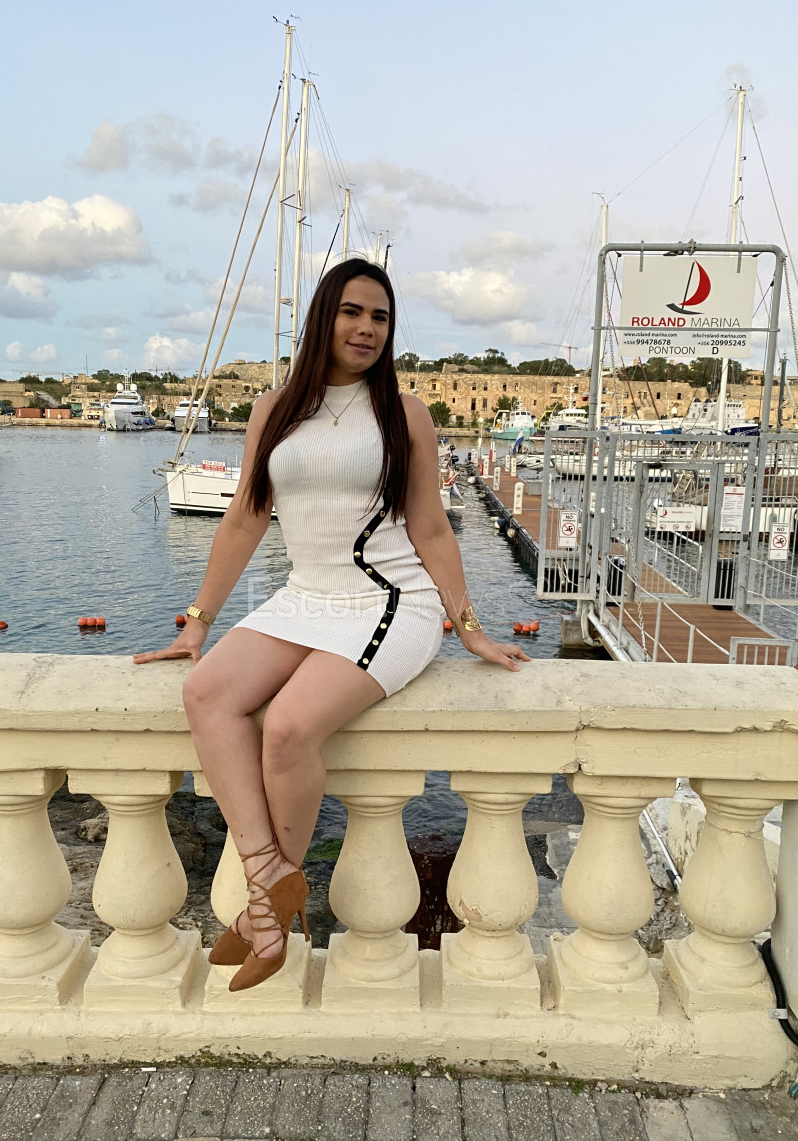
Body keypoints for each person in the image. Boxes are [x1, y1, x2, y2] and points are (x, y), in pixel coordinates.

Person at [133, 259, 529, 992]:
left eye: (380, 317)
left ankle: (264, 911)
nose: (367, 328)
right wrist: (197, 623)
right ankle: (271, 880)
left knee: (287, 727)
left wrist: (469, 625)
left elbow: (430, 527)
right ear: (324, 316)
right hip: (305, 596)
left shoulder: (404, 413)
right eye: (353, 312)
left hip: (390, 603)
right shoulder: (274, 409)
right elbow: (246, 517)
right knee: (206, 693)